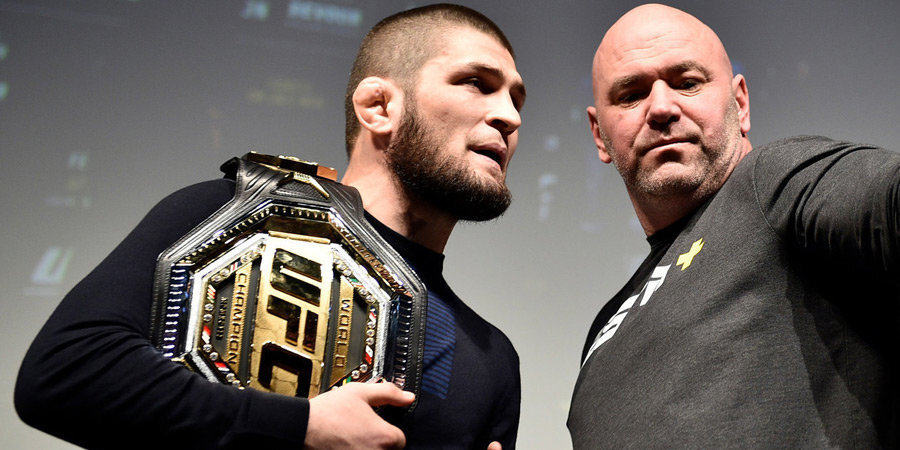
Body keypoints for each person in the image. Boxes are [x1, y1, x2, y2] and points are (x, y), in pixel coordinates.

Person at [15, 4, 525, 449]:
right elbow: (66, 372)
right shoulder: (228, 216)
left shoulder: (492, 361)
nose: (509, 116)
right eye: (476, 83)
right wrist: (300, 426)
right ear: (378, 106)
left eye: (517, 100)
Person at [568, 3, 898, 448]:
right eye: (631, 95)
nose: (661, 107)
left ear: (739, 104)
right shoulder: (601, 333)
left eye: (687, 83)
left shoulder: (771, 183)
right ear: (598, 135)